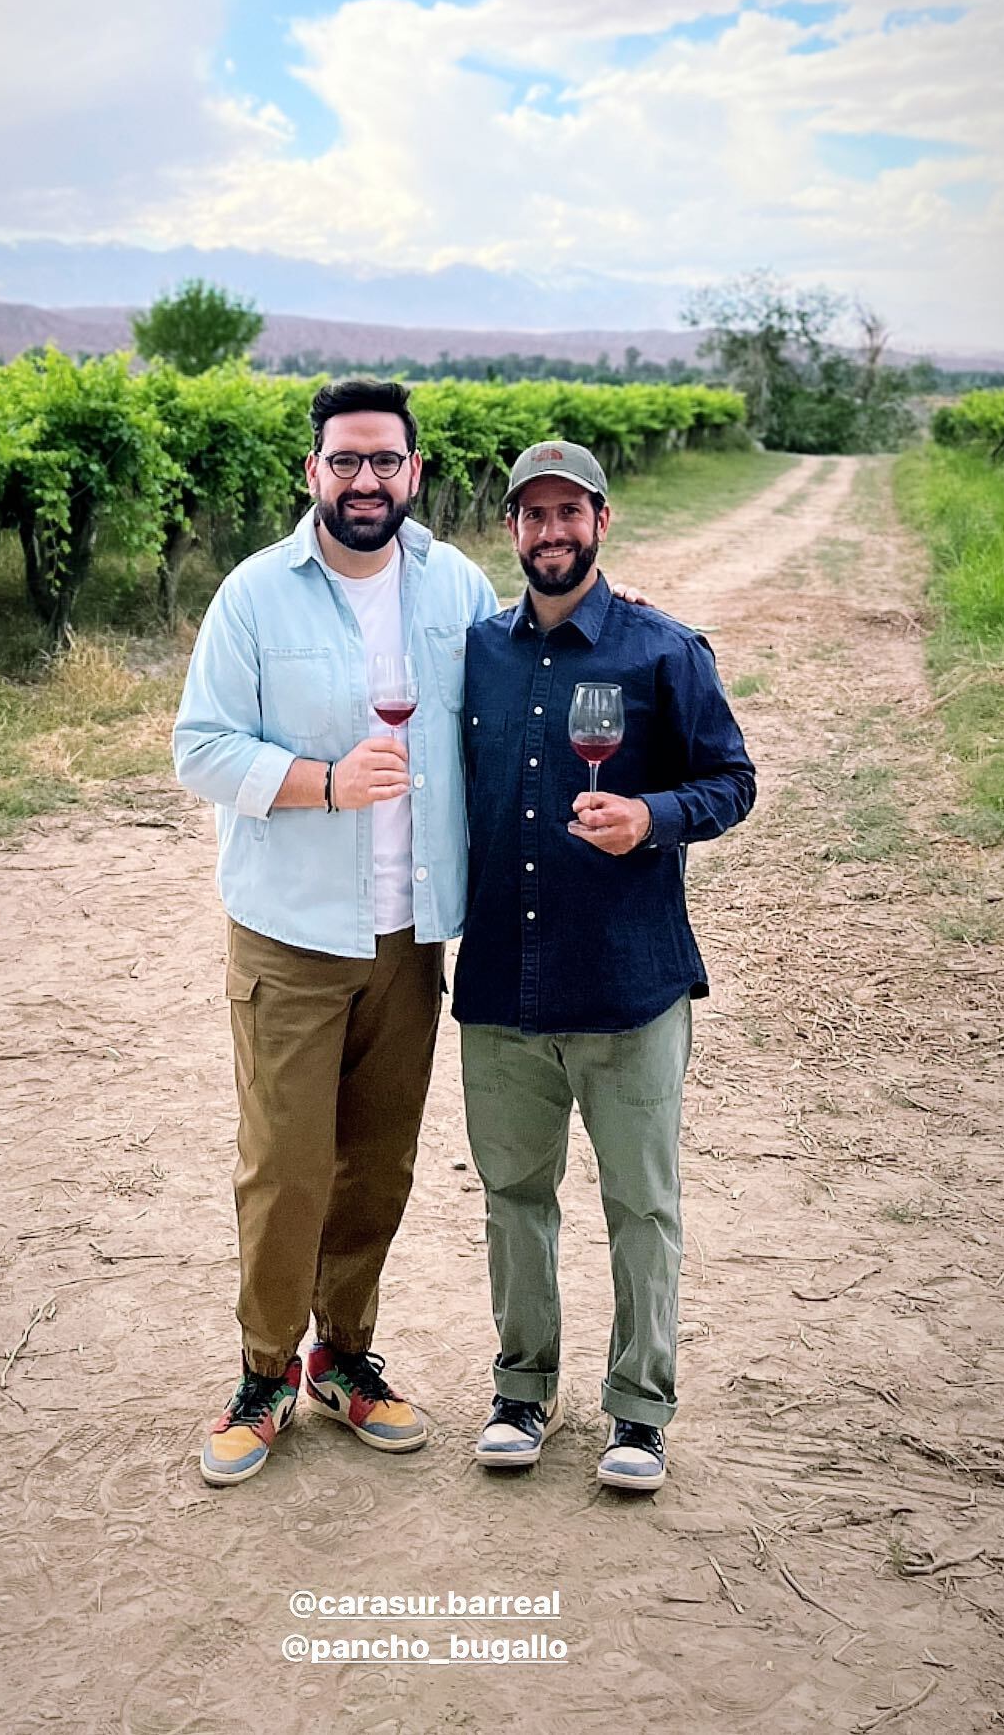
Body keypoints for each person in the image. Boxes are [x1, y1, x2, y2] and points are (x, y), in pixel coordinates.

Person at [172, 377, 499, 1485]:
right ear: (311, 472)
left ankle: (343, 1356)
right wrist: (321, 780)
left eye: (386, 460)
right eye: (345, 460)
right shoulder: (254, 596)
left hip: (413, 936)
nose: (367, 480)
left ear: (415, 471)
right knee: (285, 1165)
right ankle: (265, 1371)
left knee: (378, 1165)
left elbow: (509, 718)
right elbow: (199, 747)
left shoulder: (457, 584)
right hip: (292, 932)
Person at [454, 439, 756, 1493]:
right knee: (513, 1198)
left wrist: (652, 815)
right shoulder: (477, 655)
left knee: (642, 1203)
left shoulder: (665, 653)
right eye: (532, 515)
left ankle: (639, 1410)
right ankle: (521, 1389)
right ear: (513, 531)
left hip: (630, 982)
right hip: (501, 977)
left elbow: (733, 779)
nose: (551, 531)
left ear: (602, 521)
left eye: (568, 513)